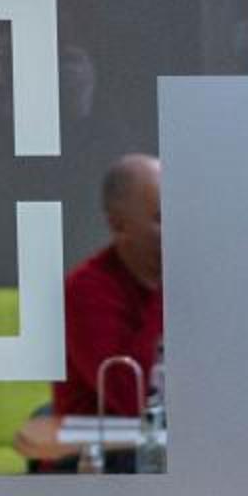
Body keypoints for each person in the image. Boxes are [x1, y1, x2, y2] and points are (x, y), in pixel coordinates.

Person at [53, 153, 164, 424]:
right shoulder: (85, 290)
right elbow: (131, 398)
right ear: (118, 225)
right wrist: (169, 290)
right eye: (160, 217)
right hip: (98, 445)